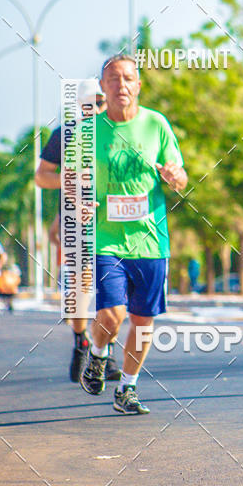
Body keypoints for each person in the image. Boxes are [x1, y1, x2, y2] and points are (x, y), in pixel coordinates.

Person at [76, 54, 187, 414]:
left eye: (127, 78)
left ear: (138, 85)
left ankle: (127, 388)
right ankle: (97, 354)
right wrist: (82, 201)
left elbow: (180, 175)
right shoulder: (88, 131)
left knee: (142, 321)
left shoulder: (156, 124)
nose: (120, 85)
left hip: (151, 241)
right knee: (112, 314)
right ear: (103, 86)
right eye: (113, 79)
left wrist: (175, 177)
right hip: (106, 240)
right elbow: (75, 182)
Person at [35, 80, 121, 383]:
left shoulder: (117, 133)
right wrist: (69, 179)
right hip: (77, 222)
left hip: (113, 223)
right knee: (81, 290)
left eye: (100, 102)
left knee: (111, 291)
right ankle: (81, 340)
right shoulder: (65, 134)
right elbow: (42, 177)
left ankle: (105, 351)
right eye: (89, 103)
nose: (94, 108)